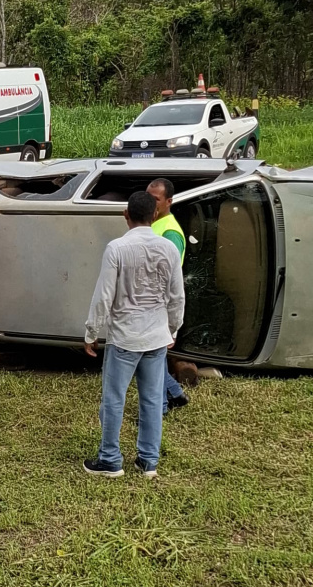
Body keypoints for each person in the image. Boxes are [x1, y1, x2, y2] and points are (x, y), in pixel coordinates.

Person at [82, 191, 185, 479]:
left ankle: (110, 459)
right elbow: (177, 296)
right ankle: (148, 461)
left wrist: (92, 331)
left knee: (114, 399)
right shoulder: (169, 249)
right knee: (152, 399)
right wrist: (173, 328)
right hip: (156, 336)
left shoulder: (117, 248)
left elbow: (104, 296)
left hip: (124, 337)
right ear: (155, 214)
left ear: (125, 215)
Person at [147, 178, 193, 415]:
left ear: (168, 201)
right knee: (150, 359)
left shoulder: (170, 232)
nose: (150, 203)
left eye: (155, 199)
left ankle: (162, 407)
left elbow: (169, 279)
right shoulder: (152, 224)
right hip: (150, 307)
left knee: (151, 360)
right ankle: (174, 393)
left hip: (160, 307)